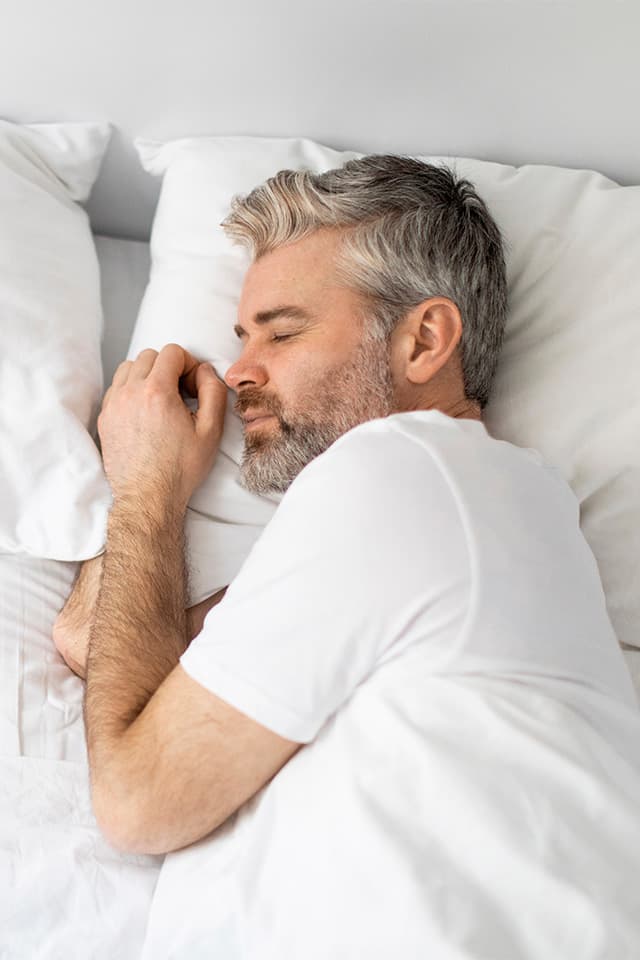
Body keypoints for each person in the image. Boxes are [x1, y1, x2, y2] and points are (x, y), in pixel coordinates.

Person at [53, 156, 640, 958]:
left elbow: (136, 798)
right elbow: (106, 650)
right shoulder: (453, 507)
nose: (238, 371)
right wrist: (139, 489)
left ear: (425, 339)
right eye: (240, 337)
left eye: (283, 331)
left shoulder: (403, 472)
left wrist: (152, 488)